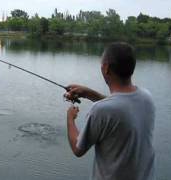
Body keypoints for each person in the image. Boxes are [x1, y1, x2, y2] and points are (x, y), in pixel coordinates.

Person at [65, 42, 155, 180]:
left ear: (106, 68)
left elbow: (78, 148)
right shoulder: (146, 97)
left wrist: (70, 118)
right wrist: (88, 93)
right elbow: (121, 105)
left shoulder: (101, 110)